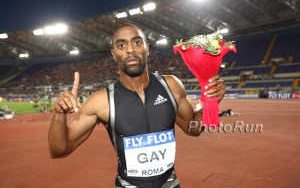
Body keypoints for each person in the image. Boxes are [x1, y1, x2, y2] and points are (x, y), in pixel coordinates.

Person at [48, 23, 226, 187]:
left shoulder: (172, 86)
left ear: (147, 49)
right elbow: (59, 150)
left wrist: (212, 101)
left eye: (137, 42)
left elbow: (192, 128)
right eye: (122, 45)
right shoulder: (101, 101)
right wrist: (58, 113)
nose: (131, 50)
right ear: (114, 54)